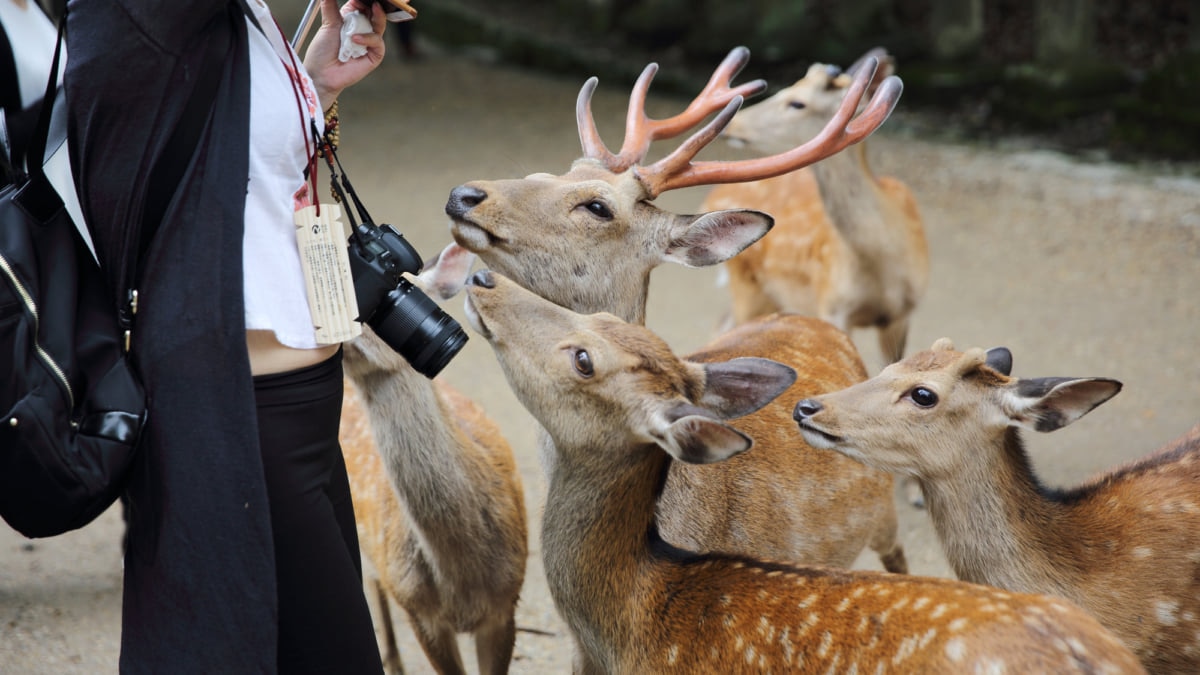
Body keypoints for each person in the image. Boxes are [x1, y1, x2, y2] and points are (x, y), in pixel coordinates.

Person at [64, 0, 391, 671]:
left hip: (305, 399)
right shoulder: (143, 16)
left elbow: (247, 170)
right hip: (235, 413)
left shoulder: (244, 18)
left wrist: (317, 84)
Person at [0, 0, 58, 184]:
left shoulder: (36, 5)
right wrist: (63, 102)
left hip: (71, 168)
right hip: (34, 185)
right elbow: (4, 138)